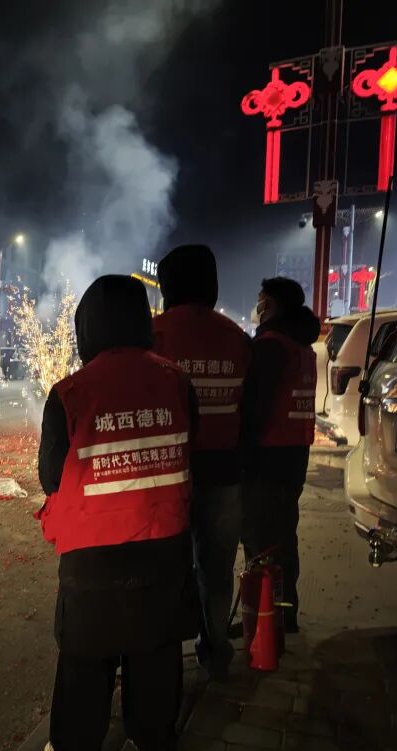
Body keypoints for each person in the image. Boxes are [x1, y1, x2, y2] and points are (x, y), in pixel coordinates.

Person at [37, 275, 198, 751]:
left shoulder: (69, 392)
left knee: (86, 656)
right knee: (156, 650)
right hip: (164, 545)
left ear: (86, 328)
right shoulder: (177, 382)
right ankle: (154, 743)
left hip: (93, 555)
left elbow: (50, 477)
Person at [152, 245, 252, 680]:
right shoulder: (237, 338)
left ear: (167, 286)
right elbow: (250, 408)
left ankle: (161, 666)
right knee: (217, 571)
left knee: (165, 572)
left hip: (167, 476)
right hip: (225, 474)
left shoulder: (152, 335)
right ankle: (216, 655)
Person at [241, 277, 319, 634]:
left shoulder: (271, 346)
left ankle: (263, 621)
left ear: (270, 305)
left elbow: (254, 408)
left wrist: (241, 455)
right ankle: (284, 615)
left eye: (261, 300)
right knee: (284, 537)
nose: (257, 307)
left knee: (260, 541)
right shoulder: (302, 346)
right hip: (294, 456)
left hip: (267, 458)